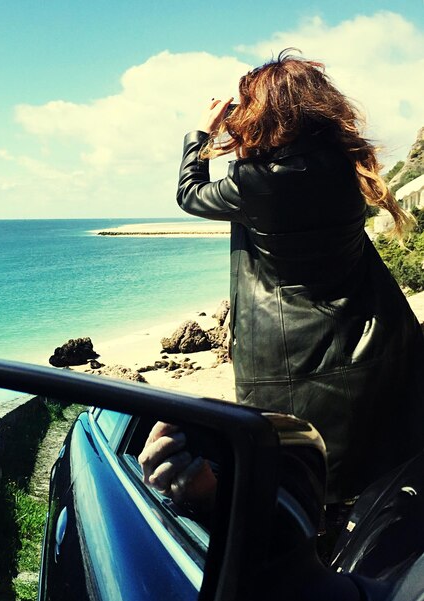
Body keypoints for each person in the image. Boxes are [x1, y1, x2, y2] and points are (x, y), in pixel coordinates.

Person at [141, 49, 424, 510]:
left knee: (300, 489)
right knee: (378, 481)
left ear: (265, 114)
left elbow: (189, 194)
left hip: (294, 367)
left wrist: (201, 132)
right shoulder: (350, 165)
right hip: (377, 341)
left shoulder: (257, 182)